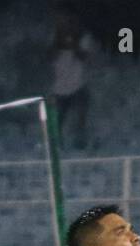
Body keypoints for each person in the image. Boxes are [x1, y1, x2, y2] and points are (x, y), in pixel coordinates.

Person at [50, 12, 95, 150]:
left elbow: (84, 57)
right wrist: (59, 43)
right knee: (57, 123)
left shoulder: (84, 38)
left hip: (78, 87)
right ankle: (56, 149)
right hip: (59, 89)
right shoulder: (54, 38)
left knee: (79, 121)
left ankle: (80, 147)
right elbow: (49, 56)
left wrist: (72, 43)